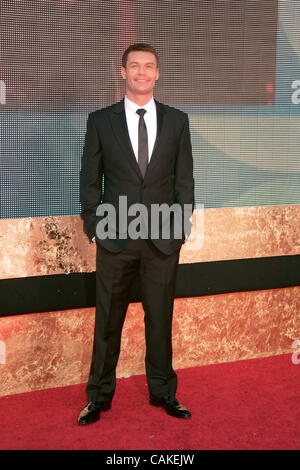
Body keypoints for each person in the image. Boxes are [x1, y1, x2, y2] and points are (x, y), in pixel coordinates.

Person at [78, 43, 194, 425]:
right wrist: (94, 224)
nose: (142, 72)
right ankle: (98, 397)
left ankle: (164, 392)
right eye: (135, 66)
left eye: (149, 66)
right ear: (123, 72)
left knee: (160, 319)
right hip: (115, 237)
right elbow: (90, 179)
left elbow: (184, 180)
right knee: (108, 320)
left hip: (162, 239)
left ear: (158, 73)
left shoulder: (177, 121)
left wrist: (181, 225)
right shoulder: (100, 121)